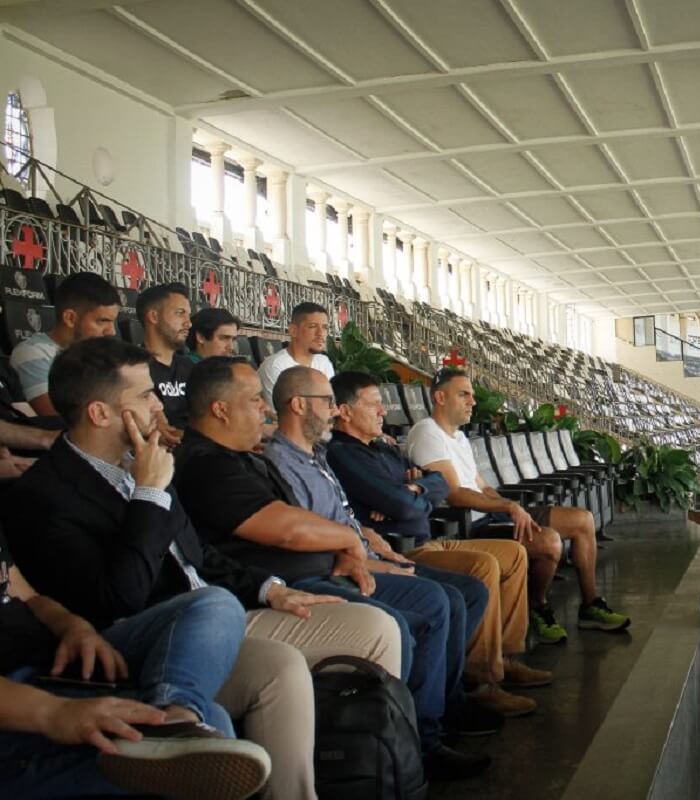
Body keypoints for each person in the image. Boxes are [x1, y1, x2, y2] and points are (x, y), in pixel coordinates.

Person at [2, 337, 406, 800]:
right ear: (100, 414)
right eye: (144, 395)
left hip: (216, 616)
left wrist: (270, 589)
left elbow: (198, 558)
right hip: (141, 637)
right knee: (216, 612)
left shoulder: (144, 462)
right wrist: (149, 495)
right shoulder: (46, 494)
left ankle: (342, 782)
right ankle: (177, 717)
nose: (159, 405)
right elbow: (116, 600)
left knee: (310, 653)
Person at [173, 356, 491, 779]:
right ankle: (402, 750)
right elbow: (285, 529)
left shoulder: (247, 458)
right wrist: (348, 542)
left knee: (450, 597)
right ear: (220, 409)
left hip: (324, 568)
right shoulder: (207, 465)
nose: (265, 409)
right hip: (279, 588)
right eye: (254, 399)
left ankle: (417, 736)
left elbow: (311, 522)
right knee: (412, 618)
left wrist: (350, 543)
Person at [324, 371, 553, 706]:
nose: (383, 411)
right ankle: (480, 677)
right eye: (374, 403)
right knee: (483, 567)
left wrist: (415, 488)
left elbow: (439, 484)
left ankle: (502, 657)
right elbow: (404, 503)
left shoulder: (383, 450)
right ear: (344, 411)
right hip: (403, 550)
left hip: (428, 534)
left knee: (515, 554)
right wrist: (408, 496)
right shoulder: (344, 454)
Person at [0, 526, 271, 799]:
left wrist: (73, 627)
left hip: (47, 668)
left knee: (215, 605)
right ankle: (170, 727)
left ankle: (175, 717)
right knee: (212, 727)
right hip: (20, 710)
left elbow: (25, 594)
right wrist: (54, 712)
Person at [407, 368, 630, 644]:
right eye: (464, 394)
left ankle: (590, 605)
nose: (472, 402)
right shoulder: (427, 432)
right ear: (440, 397)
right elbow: (455, 494)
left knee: (582, 520)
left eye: (472, 396)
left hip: (491, 511)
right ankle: (539, 606)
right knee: (549, 542)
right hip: (469, 524)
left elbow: (482, 485)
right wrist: (509, 507)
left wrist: (507, 504)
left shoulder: (460, 437)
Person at [10, 271, 119, 416]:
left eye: (113, 322)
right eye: (102, 321)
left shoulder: (99, 356)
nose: (112, 332)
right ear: (70, 318)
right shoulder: (33, 352)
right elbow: (56, 416)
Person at [136, 283, 194, 444]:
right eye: (180, 313)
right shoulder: (131, 368)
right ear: (154, 317)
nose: (188, 323)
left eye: (188, 315)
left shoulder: (189, 368)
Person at [257, 303, 334, 401]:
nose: (320, 333)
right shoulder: (277, 366)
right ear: (293, 330)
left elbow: (332, 405)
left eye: (325, 327)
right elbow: (280, 415)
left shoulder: (324, 362)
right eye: (312, 326)